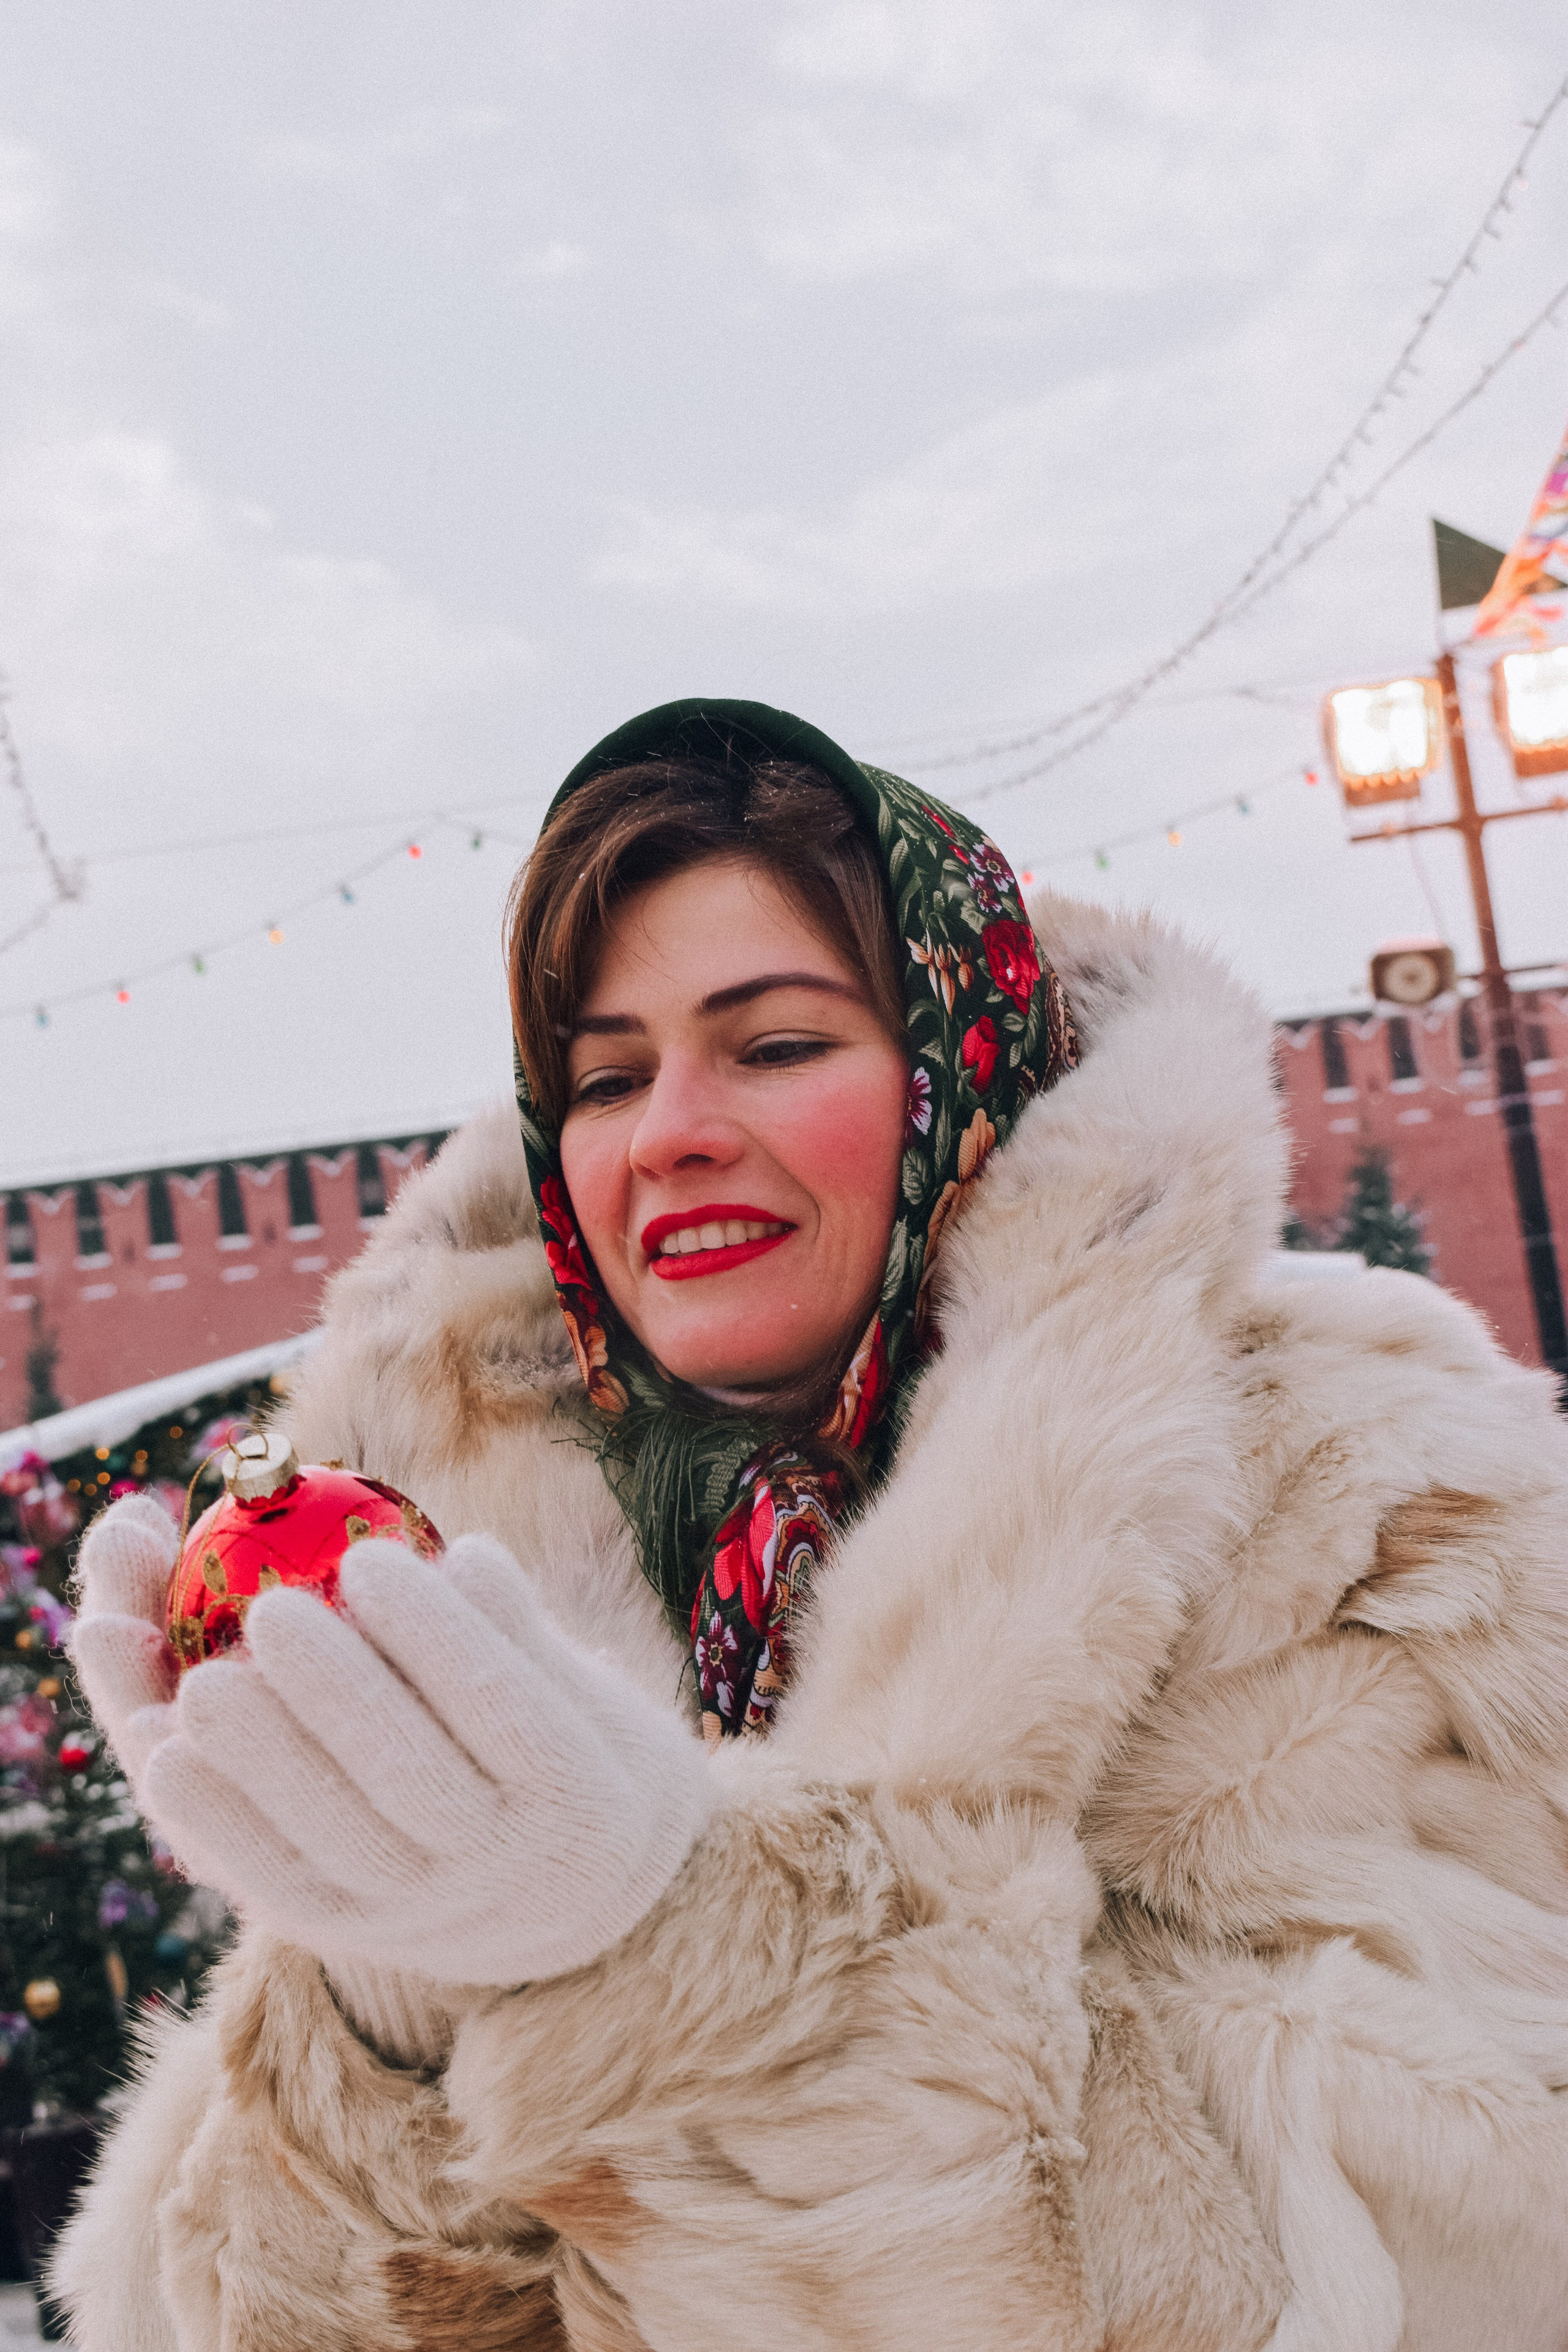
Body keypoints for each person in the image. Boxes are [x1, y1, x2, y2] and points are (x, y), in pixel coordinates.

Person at [56, 701, 1568, 2352]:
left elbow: (1451, 2240)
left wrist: (682, 1937)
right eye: (607, 1075)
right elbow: (212, 2310)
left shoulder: (1355, 1491)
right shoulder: (498, 1574)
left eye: (775, 1046)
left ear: (957, 1067)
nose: (672, 1132)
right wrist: (389, 1998)